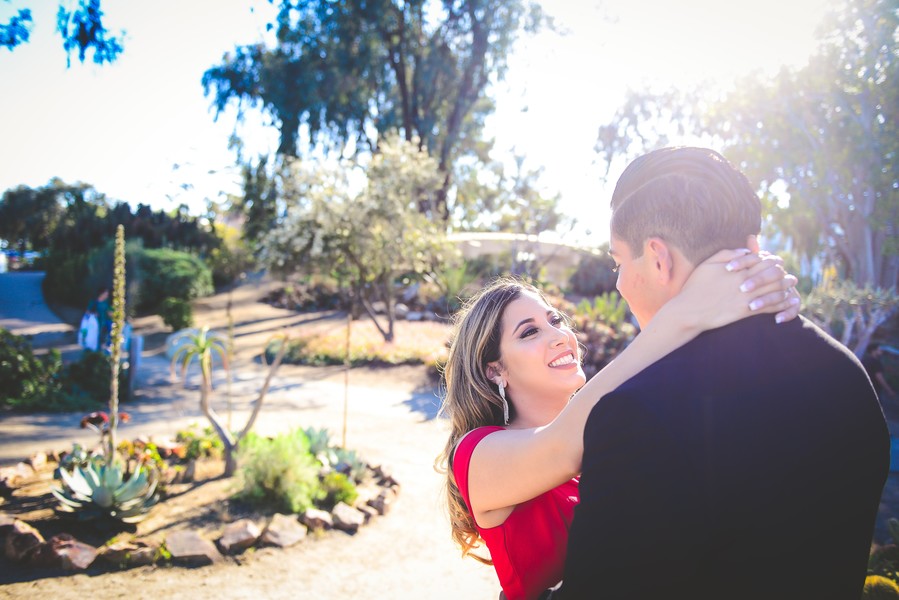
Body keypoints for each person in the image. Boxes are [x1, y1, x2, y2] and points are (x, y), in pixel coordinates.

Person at [558, 147, 890, 599]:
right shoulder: (848, 376)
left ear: (659, 258)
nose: (617, 284)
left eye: (619, 262)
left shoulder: (636, 414)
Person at [438, 246, 801, 599]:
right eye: (529, 332)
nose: (559, 336)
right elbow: (561, 446)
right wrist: (685, 313)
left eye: (555, 320)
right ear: (495, 369)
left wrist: (757, 304)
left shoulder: (603, 441)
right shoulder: (477, 455)